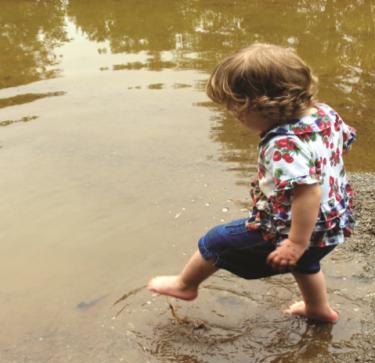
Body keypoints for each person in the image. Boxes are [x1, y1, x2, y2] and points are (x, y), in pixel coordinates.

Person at [148, 43, 356, 322]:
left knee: (216, 241)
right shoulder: (324, 113)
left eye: (237, 111)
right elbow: (344, 142)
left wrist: (295, 242)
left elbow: (308, 193)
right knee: (307, 262)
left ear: (264, 106)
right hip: (332, 222)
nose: (235, 119)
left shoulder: (283, 143)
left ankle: (185, 285)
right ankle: (318, 309)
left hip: (298, 227)